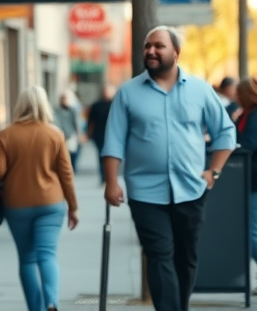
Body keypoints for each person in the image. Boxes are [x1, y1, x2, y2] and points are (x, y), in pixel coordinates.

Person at [102, 26, 235, 311]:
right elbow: (113, 140)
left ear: (176, 52)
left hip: (191, 189)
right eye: (147, 46)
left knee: (186, 258)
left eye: (158, 46)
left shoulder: (200, 89)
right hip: (145, 192)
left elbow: (225, 132)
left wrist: (213, 172)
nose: (151, 51)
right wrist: (112, 182)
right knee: (159, 255)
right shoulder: (128, 93)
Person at [0, 85, 79, 311]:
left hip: (17, 204)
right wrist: (73, 207)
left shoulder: (6, 134)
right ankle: (51, 301)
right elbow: (66, 174)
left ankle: (35, 308)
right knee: (47, 254)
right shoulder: (55, 134)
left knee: (27, 258)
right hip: (51, 203)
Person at [234, 78, 257, 295]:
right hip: (253, 179)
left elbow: (248, 144)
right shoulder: (250, 114)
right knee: (251, 232)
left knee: (252, 234)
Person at [85, 84, 115, 184]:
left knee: (111, 156)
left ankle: (110, 177)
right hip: (99, 135)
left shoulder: (116, 104)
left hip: (112, 135)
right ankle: (103, 176)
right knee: (101, 156)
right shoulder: (96, 105)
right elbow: (90, 120)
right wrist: (89, 133)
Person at [52, 90, 82, 170]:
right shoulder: (56, 111)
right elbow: (56, 123)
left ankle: (72, 170)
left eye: (66, 98)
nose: (64, 100)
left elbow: (76, 123)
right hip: (61, 136)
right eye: (63, 98)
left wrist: (78, 135)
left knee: (72, 156)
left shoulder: (73, 110)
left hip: (71, 136)